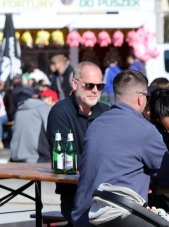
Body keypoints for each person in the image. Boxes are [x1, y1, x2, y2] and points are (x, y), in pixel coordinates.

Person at [72, 69, 169, 227]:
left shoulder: (95, 124)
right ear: (140, 98)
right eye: (147, 97)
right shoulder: (145, 130)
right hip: (118, 219)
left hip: (83, 217)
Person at [47, 61, 111, 223]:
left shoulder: (107, 111)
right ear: (75, 84)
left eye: (100, 86)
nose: (95, 91)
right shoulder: (60, 111)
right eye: (89, 85)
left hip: (109, 190)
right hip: (75, 193)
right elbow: (65, 159)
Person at [10, 89, 57, 163]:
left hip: (15, 156)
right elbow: (53, 133)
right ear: (49, 100)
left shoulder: (20, 108)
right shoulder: (46, 108)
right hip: (38, 158)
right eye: (55, 103)